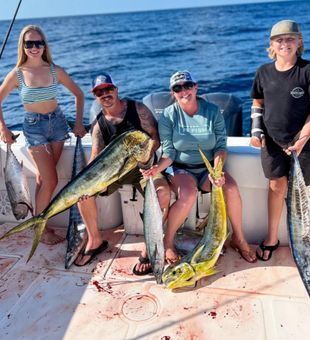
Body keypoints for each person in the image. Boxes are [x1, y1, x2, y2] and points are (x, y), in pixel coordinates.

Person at [142, 70, 256, 263]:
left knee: (231, 189)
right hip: (180, 168)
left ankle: (239, 238)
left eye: (187, 86)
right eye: (178, 88)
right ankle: (168, 242)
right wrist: (156, 169)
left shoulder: (212, 111)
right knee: (188, 195)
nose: (183, 91)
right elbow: (169, 153)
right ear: (173, 93)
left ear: (196, 87)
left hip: (209, 167)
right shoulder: (169, 116)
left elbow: (221, 147)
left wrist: (217, 171)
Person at [74, 73, 171, 273]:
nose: (105, 94)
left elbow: (156, 137)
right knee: (81, 195)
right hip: (115, 173)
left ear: (116, 90)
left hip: (144, 168)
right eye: (99, 92)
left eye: (108, 89)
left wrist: (145, 155)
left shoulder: (138, 109)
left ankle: (150, 246)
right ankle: (95, 240)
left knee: (163, 193)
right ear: (95, 96)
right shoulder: (99, 125)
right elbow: (95, 157)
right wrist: (84, 182)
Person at [0, 25, 86, 244]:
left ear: (44, 45)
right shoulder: (18, 73)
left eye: (39, 43)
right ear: (23, 46)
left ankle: (40, 224)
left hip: (58, 124)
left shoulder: (55, 70)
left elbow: (79, 94)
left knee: (42, 178)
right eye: (29, 43)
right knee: (51, 179)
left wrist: (77, 124)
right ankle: (41, 228)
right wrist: (3, 128)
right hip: (34, 127)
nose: (34, 47)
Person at [251, 20, 310, 261]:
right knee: (276, 187)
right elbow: (257, 103)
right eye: (279, 40)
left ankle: (304, 238)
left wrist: (304, 137)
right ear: (272, 45)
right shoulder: (263, 72)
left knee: (303, 192)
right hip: (273, 143)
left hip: (304, 142)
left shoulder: (307, 70)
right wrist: (256, 131)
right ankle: (272, 237)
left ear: (299, 42)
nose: (284, 43)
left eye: (290, 38)